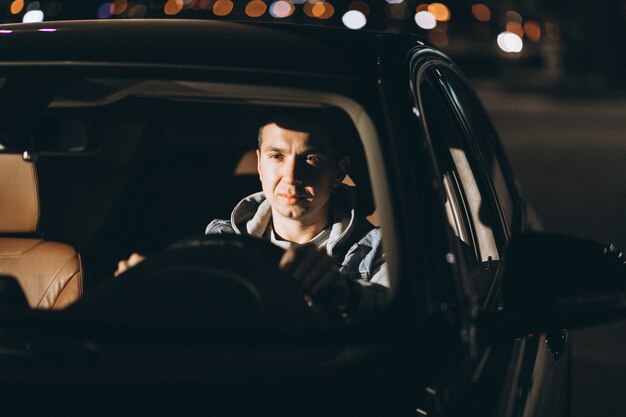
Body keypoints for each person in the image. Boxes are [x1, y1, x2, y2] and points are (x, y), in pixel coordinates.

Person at [116, 109, 388, 317]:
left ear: (338, 172)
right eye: (277, 156)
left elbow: (394, 318)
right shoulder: (220, 240)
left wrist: (344, 293)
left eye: (311, 158)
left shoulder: (379, 249)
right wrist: (150, 287)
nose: (291, 176)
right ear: (259, 165)